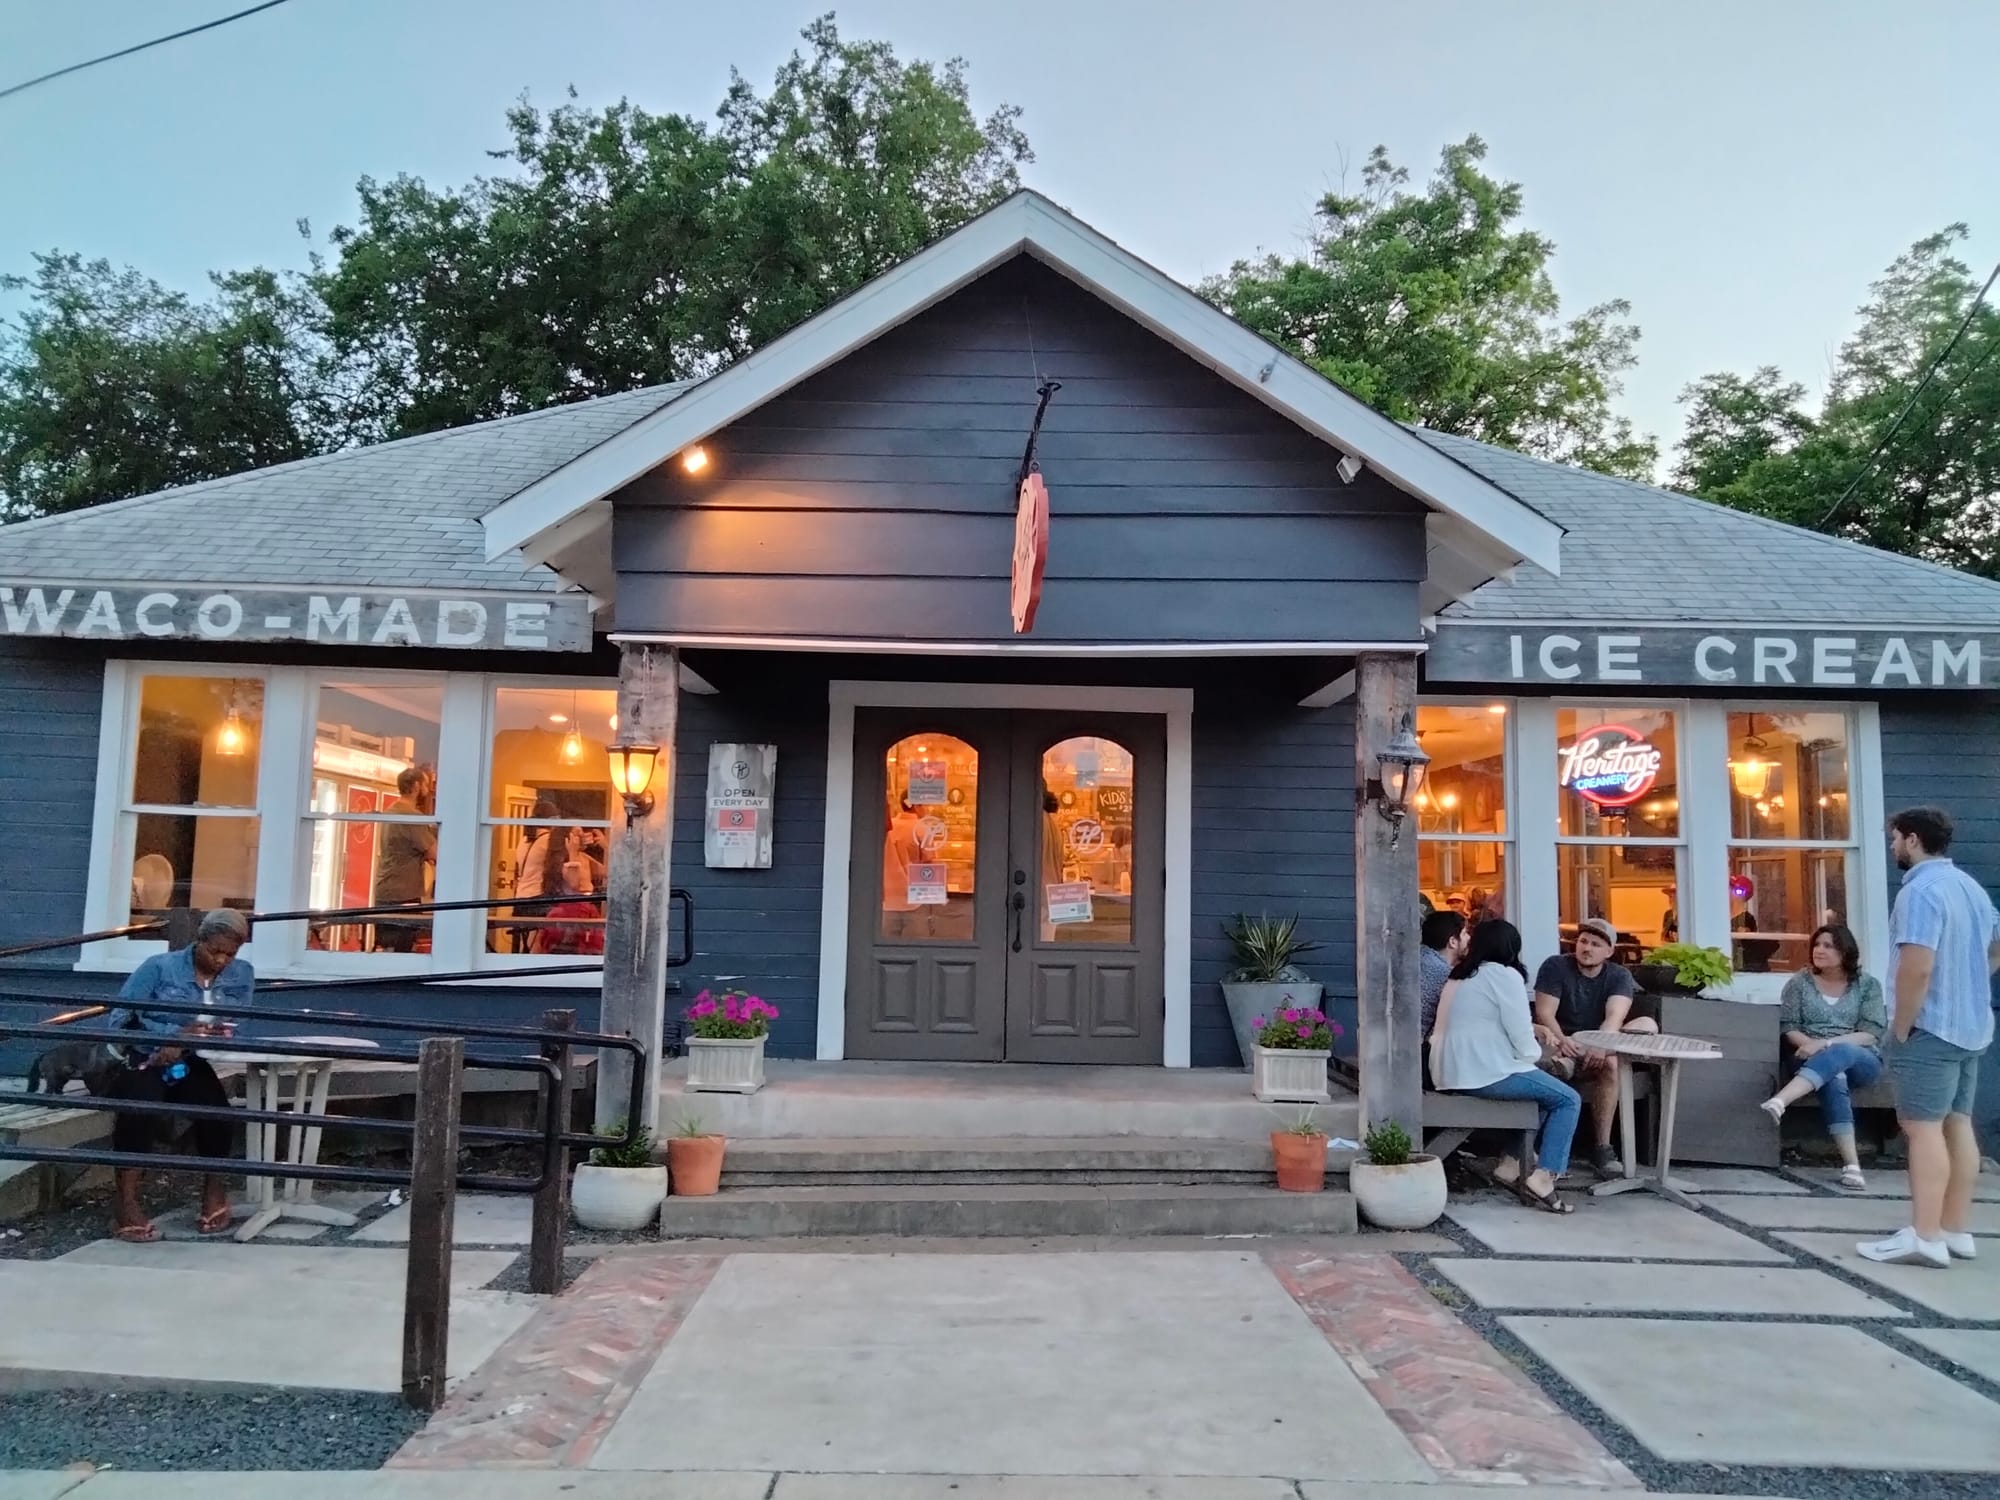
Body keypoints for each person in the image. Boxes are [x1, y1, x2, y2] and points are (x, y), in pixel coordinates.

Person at [1859, 807, 2000, 1268]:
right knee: (1957, 1123)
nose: (1893, 846)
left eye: (1895, 838)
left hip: (1930, 1026)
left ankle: (1923, 1235)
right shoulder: (1969, 887)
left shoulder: (1920, 891)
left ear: (1913, 839)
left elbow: (1916, 965)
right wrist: (1975, 975)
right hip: (1971, 1025)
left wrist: (1901, 1024)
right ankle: (1953, 1230)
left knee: (1921, 1130)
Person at [101, 909, 253, 1242]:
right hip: (145, 1058)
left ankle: (215, 1190)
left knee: (217, 1111)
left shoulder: (242, 974)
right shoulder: (159, 967)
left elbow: (239, 1024)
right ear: (199, 941)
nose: (222, 960)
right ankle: (125, 1203)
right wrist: (170, 1034)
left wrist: (197, 1038)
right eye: (215, 951)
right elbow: (120, 1020)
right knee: (138, 1109)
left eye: (231, 953)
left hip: (190, 1060)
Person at [1431, 919, 1580, 1215]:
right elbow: (1522, 1039)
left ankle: (1511, 1163)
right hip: (1483, 1072)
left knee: (1543, 1093)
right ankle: (1545, 1175)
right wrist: (1539, 1056)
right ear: (1511, 947)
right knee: (1568, 1099)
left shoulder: (1459, 976)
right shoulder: (1503, 975)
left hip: (1448, 1070)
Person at [1759, 924, 1888, 1191]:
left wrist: (1824, 1044)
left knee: (1840, 1052)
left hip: (1861, 1058)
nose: (1820, 950)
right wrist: (1810, 1044)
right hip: (1808, 1054)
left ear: (1845, 951)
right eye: (1817, 944)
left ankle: (1781, 1100)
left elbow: (1871, 1033)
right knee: (1834, 1077)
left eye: (1828, 946)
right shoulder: (1799, 983)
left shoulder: (1867, 986)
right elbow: (1789, 1026)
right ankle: (1852, 1166)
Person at [1533, 916, 1659, 1179]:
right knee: (1606, 1062)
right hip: (1558, 1044)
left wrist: (1601, 1046)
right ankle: (1597, 1149)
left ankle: (1602, 1149)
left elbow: (1615, 1017)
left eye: (1596, 944)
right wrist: (1565, 1041)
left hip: (1599, 1044)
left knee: (1647, 1026)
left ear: (1609, 951)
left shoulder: (1618, 975)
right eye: (1583, 941)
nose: (1587, 948)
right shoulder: (1556, 966)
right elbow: (1545, 1014)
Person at [374, 766, 437, 952]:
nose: (429, 788)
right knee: (404, 948)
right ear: (417, 786)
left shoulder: (390, 812)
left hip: (384, 890)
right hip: (405, 892)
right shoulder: (412, 817)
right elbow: (434, 853)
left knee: (387, 946)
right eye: (426, 783)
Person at [1419, 910, 1469, 1088]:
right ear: (1453, 941)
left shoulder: (1418, 958)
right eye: (1465, 933)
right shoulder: (1444, 975)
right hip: (1418, 1057)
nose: (1469, 938)